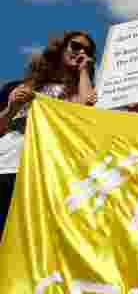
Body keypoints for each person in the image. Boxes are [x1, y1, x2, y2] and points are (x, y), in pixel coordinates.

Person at [0, 31, 97, 239]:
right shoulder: (18, 87)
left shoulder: (81, 92)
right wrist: (11, 108)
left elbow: (86, 113)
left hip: (42, 175)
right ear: (60, 48)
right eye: (76, 46)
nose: (82, 52)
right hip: (6, 167)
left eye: (88, 51)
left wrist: (84, 71)